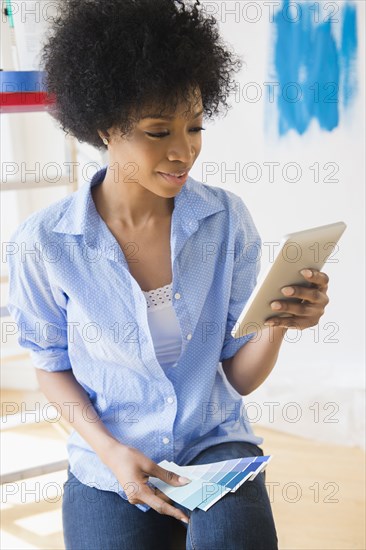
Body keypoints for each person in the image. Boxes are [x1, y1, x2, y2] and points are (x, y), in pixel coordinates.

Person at [6, 0, 330, 548]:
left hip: (214, 443)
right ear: (106, 127)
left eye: (195, 127)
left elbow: (240, 378)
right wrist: (111, 453)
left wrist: (277, 322)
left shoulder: (225, 219)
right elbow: (50, 367)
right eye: (158, 132)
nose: (184, 151)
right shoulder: (46, 242)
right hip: (108, 453)